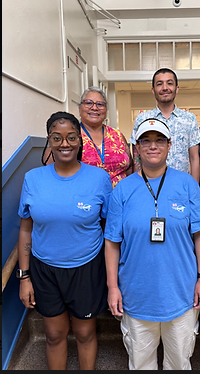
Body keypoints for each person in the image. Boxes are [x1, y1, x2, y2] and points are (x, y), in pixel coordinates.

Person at [104, 118, 200, 370]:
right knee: (140, 364)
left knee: (179, 363)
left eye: (159, 140)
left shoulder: (187, 185)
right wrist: (112, 287)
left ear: (170, 145)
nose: (153, 146)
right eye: (146, 141)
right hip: (136, 294)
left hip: (181, 294)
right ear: (136, 148)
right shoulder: (122, 190)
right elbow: (111, 242)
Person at [17, 111, 113, 370]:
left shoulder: (99, 179)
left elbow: (109, 230)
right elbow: (26, 230)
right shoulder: (33, 179)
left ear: (80, 140)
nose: (65, 144)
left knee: (84, 334)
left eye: (71, 137)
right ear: (49, 140)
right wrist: (24, 277)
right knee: (54, 335)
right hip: (45, 270)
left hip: (87, 268)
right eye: (57, 138)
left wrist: (111, 277)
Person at [42, 86, 133, 188]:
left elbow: (130, 167)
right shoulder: (69, 136)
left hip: (121, 199)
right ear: (80, 109)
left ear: (106, 110)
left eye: (100, 104)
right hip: (84, 199)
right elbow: (50, 173)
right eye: (88, 103)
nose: (94, 108)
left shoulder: (117, 135)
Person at [129, 68, 200, 183]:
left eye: (169, 83)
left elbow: (194, 158)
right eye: (159, 84)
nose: (165, 88)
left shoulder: (189, 119)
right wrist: (139, 186)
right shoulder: (142, 119)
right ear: (153, 90)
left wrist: (194, 189)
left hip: (181, 185)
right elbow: (137, 159)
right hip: (150, 185)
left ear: (177, 88)